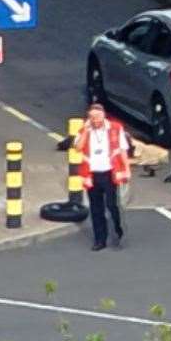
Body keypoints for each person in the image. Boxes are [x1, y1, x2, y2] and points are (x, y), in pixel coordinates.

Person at [74, 103, 131, 251]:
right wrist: (86, 132)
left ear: (104, 115)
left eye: (98, 117)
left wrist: (127, 169)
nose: (95, 120)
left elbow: (123, 150)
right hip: (92, 174)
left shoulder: (116, 128)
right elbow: (78, 147)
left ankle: (118, 230)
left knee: (112, 205)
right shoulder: (84, 130)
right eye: (92, 118)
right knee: (96, 208)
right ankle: (100, 239)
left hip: (110, 172)